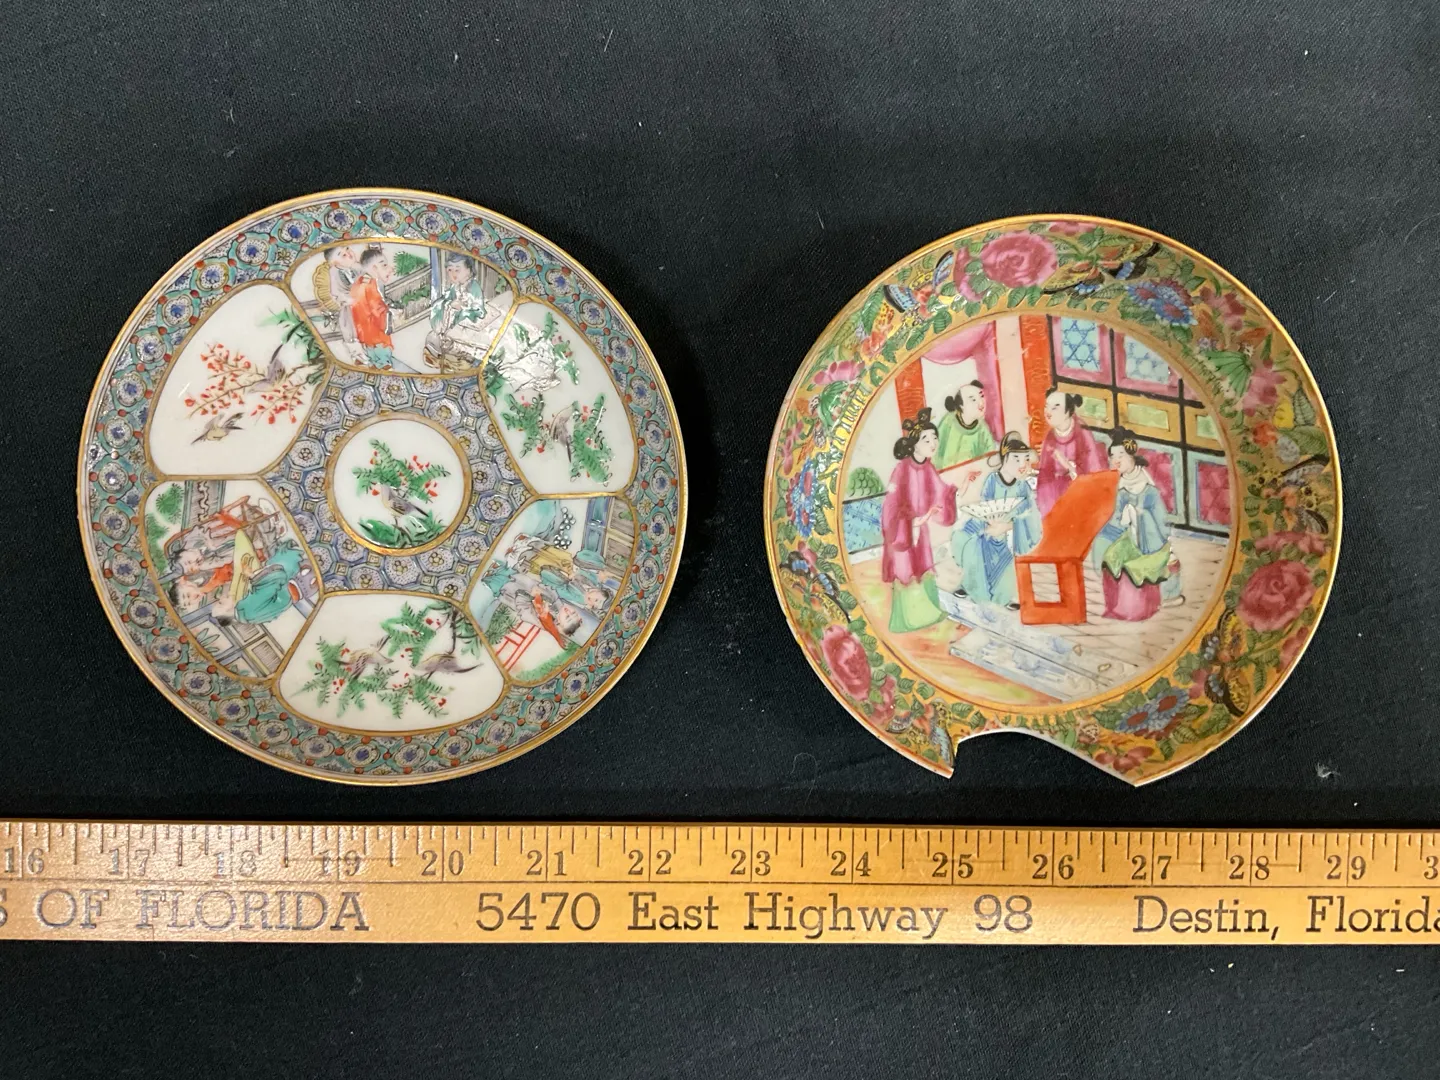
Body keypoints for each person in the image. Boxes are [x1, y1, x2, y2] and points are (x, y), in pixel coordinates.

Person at [880, 408, 957, 632]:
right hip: (903, 531)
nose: (933, 443)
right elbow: (891, 506)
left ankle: (929, 613)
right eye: (926, 439)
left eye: (935, 438)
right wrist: (911, 522)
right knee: (906, 570)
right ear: (914, 444)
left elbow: (940, 493)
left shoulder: (928, 468)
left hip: (920, 530)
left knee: (922, 567)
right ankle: (907, 621)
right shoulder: (901, 469)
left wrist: (953, 493)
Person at [951, 432, 1043, 610]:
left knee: (1006, 555)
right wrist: (991, 524)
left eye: (1025, 459)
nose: (1022, 464)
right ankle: (970, 586)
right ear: (1005, 459)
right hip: (989, 526)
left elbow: (1030, 515)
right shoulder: (992, 480)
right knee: (971, 543)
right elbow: (987, 505)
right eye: (1016, 459)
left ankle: (1006, 596)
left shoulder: (1023, 487)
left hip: (1011, 532)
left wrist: (1008, 526)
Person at [1092, 430, 1174, 621]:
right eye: (1112, 456)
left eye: (1121, 455)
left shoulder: (1149, 489)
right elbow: (1117, 520)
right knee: (1110, 557)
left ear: (1132, 456)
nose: (1116, 460)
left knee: (1132, 567)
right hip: (1130, 536)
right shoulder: (1122, 488)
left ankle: (1134, 609)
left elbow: (1161, 522)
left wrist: (1139, 515)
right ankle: (1115, 607)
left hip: (1152, 543)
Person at [1035, 387, 1108, 515]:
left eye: (1055, 407)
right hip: (1057, 487)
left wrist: (1067, 465)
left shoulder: (1082, 433)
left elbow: (1092, 471)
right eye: (1047, 406)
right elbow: (1045, 474)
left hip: (1081, 486)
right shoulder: (1050, 437)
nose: (1048, 412)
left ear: (1068, 411)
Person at [423, 253, 494, 371]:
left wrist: (463, 310)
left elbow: (478, 311)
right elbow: (443, 301)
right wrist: (448, 305)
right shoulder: (454, 288)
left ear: (469, 270)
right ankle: (441, 360)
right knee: (432, 337)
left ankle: (455, 363)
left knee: (455, 343)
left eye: (457, 270)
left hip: (466, 327)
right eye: (450, 270)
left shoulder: (474, 287)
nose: (453, 274)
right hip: (451, 324)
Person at [350, 247, 398, 369]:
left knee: (372, 363)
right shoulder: (369, 285)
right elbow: (376, 309)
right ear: (374, 268)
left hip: (364, 333)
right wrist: (390, 314)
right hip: (375, 333)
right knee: (384, 363)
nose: (390, 269)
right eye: (384, 265)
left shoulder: (360, 282)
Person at [933, 380, 998, 470]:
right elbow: (935, 451)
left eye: (981, 396)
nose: (981, 403)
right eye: (973, 400)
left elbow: (990, 456)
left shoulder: (983, 429)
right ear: (961, 405)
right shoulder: (949, 421)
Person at [312, 246, 358, 345]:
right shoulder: (334, 273)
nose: (349, 254)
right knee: (353, 328)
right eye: (343, 255)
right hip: (350, 308)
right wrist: (353, 299)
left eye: (347, 249)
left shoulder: (356, 268)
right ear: (334, 263)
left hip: (362, 304)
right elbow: (337, 293)